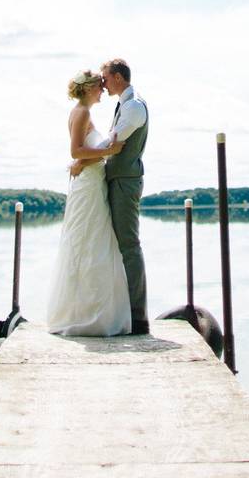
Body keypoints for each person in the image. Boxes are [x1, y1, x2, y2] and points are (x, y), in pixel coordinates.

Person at [45, 70, 132, 336]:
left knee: (94, 242)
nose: (102, 90)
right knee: (88, 242)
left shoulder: (83, 112)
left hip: (92, 182)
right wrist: (109, 151)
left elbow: (81, 154)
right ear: (87, 89)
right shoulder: (81, 112)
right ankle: (86, 314)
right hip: (88, 185)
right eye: (98, 86)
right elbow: (75, 150)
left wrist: (84, 161)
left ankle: (89, 309)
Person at [97, 59, 150, 335]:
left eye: (105, 78)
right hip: (117, 180)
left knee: (129, 245)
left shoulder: (134, 107)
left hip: (125, 183)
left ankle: (138, 317)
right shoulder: (126, 105)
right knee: (119, 246)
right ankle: (121, 311)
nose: (103, 83)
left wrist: (83, 153)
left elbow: (113, 143)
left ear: (117, 77)